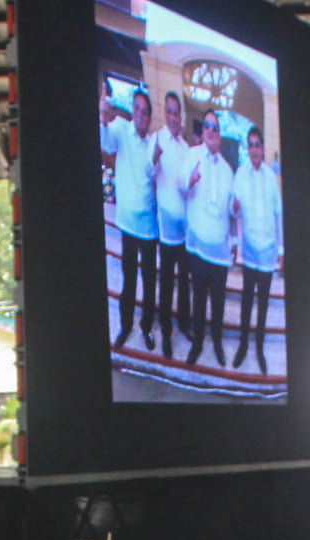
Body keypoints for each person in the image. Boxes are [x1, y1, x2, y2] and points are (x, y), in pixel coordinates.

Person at [100, 88, 161, 352]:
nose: (140, 114)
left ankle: (146, 327)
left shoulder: (153, 143)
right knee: (128, 280)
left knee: (149, 282)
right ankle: (125, 326)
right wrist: (102, 115)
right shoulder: (120, 129)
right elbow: (106, 143)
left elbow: (152, 175)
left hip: (149, 227)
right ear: (132, 111)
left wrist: (156, 161)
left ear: (149, 117)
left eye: (145, 111)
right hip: (126, 223)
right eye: (136, 109)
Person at [180, 110, 235, 369]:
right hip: (199, 247)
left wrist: (233, 241)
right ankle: (198, 343)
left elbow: (231, 210)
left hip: (220, 251)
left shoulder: (227, 169)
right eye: (207, 126)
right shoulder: (192, 155)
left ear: (220, 135)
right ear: (203, 132)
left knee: (219, 302)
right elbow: (180, 185)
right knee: (199, 299)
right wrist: (189, 180)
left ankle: (217, 344)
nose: (211, 131)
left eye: (215, 127)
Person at [228, 124, 281, 374]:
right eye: (250, 145)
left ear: (263, 148)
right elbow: (232, 209)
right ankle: (243, 345)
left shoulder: (271, 177)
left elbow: (278, 214)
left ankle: (259, 348)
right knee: (247, 302)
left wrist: (281, 249)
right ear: (247, 150)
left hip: (268, 253)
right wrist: (234, 208)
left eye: (258, 145)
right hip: (249, 253)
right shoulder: (240, 174)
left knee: (262, 304)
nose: (254, 150)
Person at [153, 92, 198, 361]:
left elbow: (188, 188)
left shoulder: (186, 149)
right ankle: (167, 333)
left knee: (184, 281)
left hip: (185, 230)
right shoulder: (156, 140)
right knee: (167, 282)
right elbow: (149, 174)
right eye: (168, 111)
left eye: (175, 112)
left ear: (180, 117)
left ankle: (183, 323)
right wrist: (154, 159)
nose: (172, 117)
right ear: (165, 114)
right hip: (165, 229)